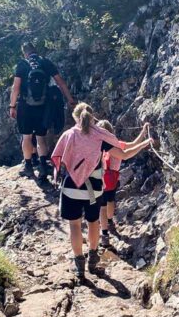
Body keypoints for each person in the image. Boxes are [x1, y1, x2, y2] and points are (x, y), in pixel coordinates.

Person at [51, 104, 152, 283]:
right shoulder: (101, 136)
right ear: (93, 117)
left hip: (71, 186)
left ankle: (79, 267)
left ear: (75, 118)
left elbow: (59, 161)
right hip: (94, 187)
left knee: (74, 225)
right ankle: (93, 258)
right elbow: (124, 154)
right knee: (93, 222)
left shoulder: (68, 135)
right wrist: (146, 143)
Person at [9, 42, 75, 184]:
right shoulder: (45, 62)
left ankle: (28, 166)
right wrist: (70, 99)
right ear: (36, 50)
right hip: (43, 106)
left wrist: (12, 106)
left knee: (26, 137)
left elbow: (16, 87)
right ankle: (43, 168)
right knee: (40, 138)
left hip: (25, 106)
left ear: (24, 53)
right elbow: (60, 82)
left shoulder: (22, 65)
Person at [98, 119, 148, 247]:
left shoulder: (96, 145)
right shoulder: (117, 145)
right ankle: (110, 221)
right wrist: (144, 133)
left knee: (102, 207)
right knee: (110, 201)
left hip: (99, 178)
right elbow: (133, 144)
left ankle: (104, 233)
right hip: (112, 180)